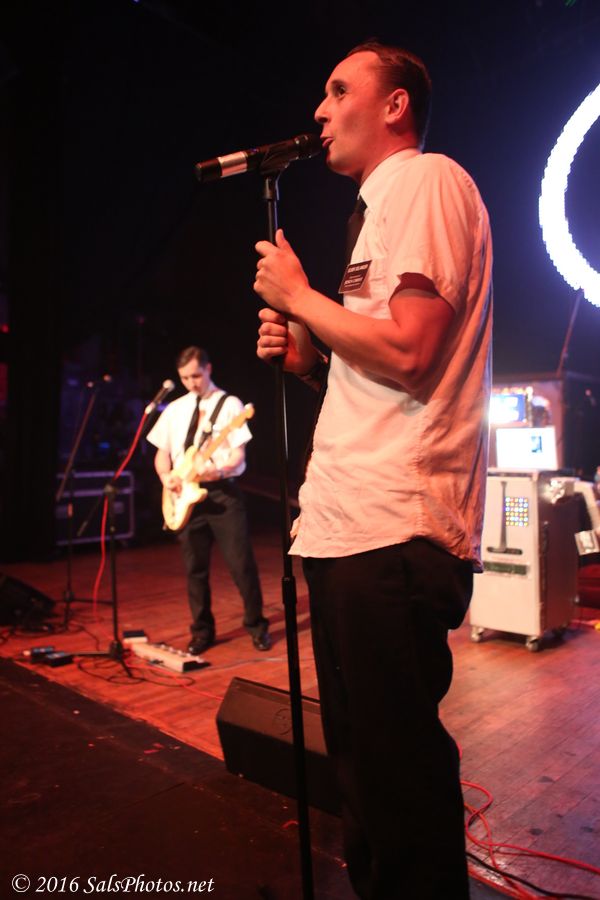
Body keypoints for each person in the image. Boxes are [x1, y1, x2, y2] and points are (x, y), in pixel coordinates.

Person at [254, 42, 492, 899]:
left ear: (395, 105)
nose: (319, 111)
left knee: (397, 783)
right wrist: (310, 358)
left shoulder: (425, 179)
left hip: (391, 531)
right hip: (350, 528)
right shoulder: (380, 207)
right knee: (362, 775)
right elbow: (380, 372)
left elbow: (413, 350)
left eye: (338, 90)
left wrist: (300, 298)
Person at [146, 346, 271, 654]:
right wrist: (166, 477)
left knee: (241, 564)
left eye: (196, 376)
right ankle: (202, 631)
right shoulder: (174, 409)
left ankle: (256, 625)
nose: (191, 383)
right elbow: (162, 454)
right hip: (184, 495)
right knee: (195, 568)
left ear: (208, 369)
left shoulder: (230, 405)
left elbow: (239, 457)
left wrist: (218, 470)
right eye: (185, 378)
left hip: (221, 493)